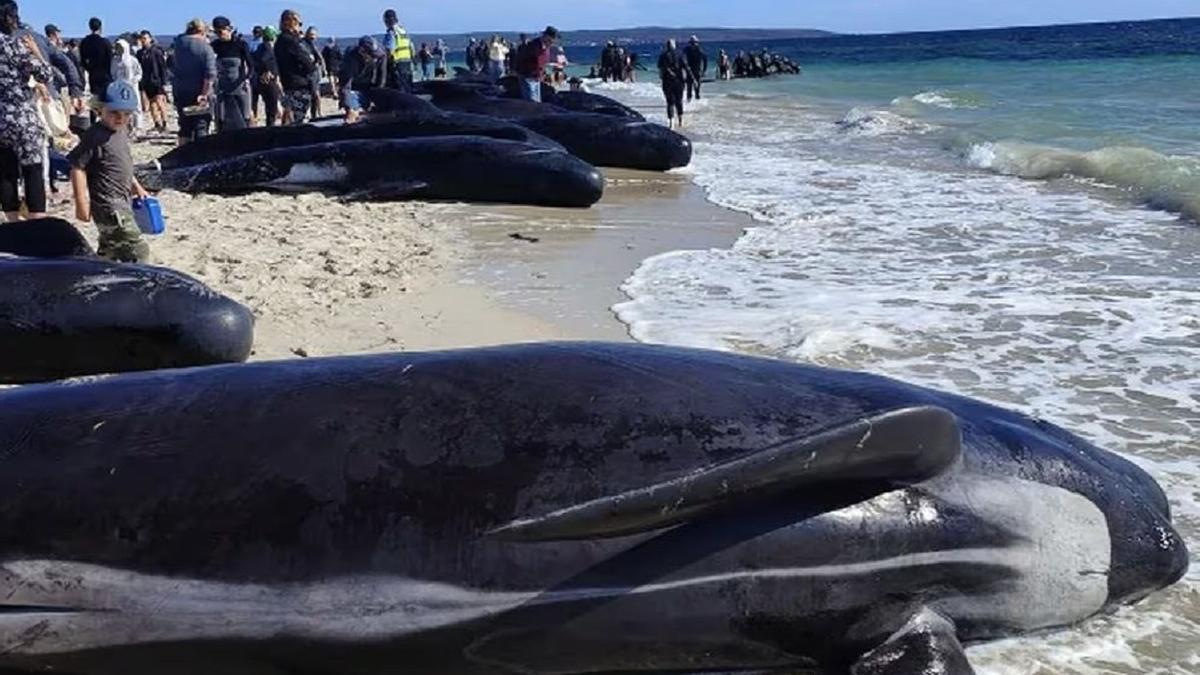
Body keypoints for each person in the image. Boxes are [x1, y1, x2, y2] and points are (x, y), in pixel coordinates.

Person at [67, 80, 150, 263]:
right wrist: (82, 202)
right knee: (138, 251)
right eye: (114, 113)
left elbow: (123, 164)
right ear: (99, 110)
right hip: (110, 207)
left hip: (122, 201)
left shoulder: (120, 132)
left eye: (126, 114)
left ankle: (100, 271)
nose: (120, 118)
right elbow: (77, 167)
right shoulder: (95, 135)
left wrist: (136, 186)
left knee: (111, 248)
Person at [0, 0, 50, 220]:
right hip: (21, 115)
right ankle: (35, 221)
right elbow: (44, 75)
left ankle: (11, 220)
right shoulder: (14, 45)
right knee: (32, 169)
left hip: (1, 118)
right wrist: (37, 52)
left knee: (6, 170)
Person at [171, 18, 216, 145]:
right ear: (202, 31)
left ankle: (183, 155)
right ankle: (200, 156)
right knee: (201, 125)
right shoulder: (205, 48)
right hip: (199, 91)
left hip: (180, 90)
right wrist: (205, 93)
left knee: (184, 125)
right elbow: (210, 75)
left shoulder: (178, 43)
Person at [210, 16, 252, 132]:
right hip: (222, 86)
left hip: (240, 84)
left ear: (229, 29)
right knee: (221, 117)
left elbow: (251, 65)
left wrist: (246, 79)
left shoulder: (240, 44)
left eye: (221, 31)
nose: (219, 34)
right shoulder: (215, 46)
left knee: (244, 116)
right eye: (216, 32)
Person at [274, 9, 316, 125]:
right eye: (299, 24)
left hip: (287, 83)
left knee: (289, 116)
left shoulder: (279, 41)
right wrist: (311, 64)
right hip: (298, 85)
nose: (300, 27)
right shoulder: (291, 41)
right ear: (292, 22)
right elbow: (304, 60)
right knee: (298, 120)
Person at [338, 36, 385, 123]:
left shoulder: (381, 55)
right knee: (352, 110)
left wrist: (378, 96)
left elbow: (382, 77)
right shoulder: (350, 57)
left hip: (370, 83)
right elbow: (346, 83)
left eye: (375, 56)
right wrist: (348, 105)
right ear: (362, 51)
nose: (374, 58)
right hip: (354, 83)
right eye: (372, 55)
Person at [514, 26, 557, 103]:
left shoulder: (546, 48)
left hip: (537, 78)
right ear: (546, 36)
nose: (552, 42)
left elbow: (543, 63)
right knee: (531, 102)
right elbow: (521, 57)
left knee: (537, 101)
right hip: (528, 76)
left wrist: (543, 73)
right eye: (551, 39)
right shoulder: (533, 45)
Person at [136, 31, 167, 132]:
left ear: (150, 39)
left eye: (145, 38)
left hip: (156, 80)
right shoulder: (140, 53)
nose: (144, 41)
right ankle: (157, 123)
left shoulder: (156, 51)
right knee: (152, 103)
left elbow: (162, 67)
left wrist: (163, 81)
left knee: (159, 102)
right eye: (142, 39)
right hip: (146, 81)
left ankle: (165, 122)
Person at [109, 39, 143, 133]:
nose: (119, 49)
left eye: (121, 47)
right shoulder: (115, 60)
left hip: (132, 85)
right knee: (123, 107)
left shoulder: (132, 60)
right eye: (117, 47)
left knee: (136, 107)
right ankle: (126, 126)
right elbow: (113, 73)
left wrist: (134, 80)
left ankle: (138, 127)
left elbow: (139, 72)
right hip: (119, 86)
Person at [251, 26, 281, 127]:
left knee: (269, 107)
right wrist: (267, 70)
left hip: (259, 79)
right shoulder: (268, 47)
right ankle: (270, 127)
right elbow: (264, 59)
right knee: (272, 107)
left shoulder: (260, 46)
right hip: (268, 81)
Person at [78, 17, 112, 101]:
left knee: (94, 97)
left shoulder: (84, 42)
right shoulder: (105, 42)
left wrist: (89, 68)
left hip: (93, 73)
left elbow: (82, 60)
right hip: (105, 73)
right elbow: (110, 58)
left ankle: (94, 114)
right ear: (100, 28)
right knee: (105, 98)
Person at [657, 39, 687, 130]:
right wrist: (690, 79)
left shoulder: (663, 56)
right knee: (679, 101)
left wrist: (662, 75)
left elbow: (660, 68)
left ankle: (671, 123)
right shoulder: (680, 54)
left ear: (667, 46)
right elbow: (686, 67)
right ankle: (681, 121)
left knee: (670, 103)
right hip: (679, 81)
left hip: (667, 82)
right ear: (675, 45)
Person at [381, 9, 413, 93]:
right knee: (407, 87)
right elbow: (411, 47)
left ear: (387, 20)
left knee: (399, 89)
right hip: (407, 63)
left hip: (397, 64)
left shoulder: (392, 32)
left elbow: (389, 50)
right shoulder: (403, 31)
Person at [303, 26, 324, 119]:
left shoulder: (315, 44)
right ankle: (310, 113)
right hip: (307, 72)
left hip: (315, 72)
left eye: (314, 35)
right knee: (310, 94)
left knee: (316, 93)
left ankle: (317, 112)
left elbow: (320, 57)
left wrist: (324, 69)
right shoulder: (303, 43)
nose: (312, 37)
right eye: (311, 35)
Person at [683, 36, 707, 101]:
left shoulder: (699, 50)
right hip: (689, 70)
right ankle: (689, 102)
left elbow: (705, 60)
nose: (693, 44)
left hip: (697, 70)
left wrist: (704, 70)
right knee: (689, 88)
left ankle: (697, 103)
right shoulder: (687, 49)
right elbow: (682, 58)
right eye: (692, 43)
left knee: (697, 89)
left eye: (694, 43)